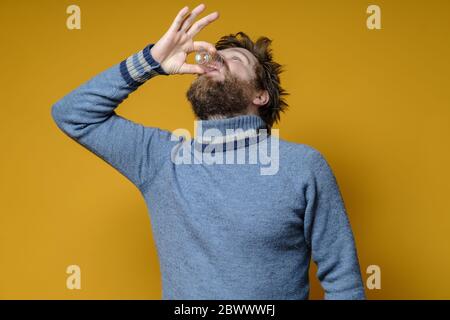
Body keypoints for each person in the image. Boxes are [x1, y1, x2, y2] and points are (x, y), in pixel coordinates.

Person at [51, 3, 366, 300]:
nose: (214, 59)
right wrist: (152, 61)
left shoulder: (303, 166)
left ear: (260, 95)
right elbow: (72, 113)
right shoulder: (161, 159)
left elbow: (344, 282)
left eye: (235, 60)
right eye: (213, 57)